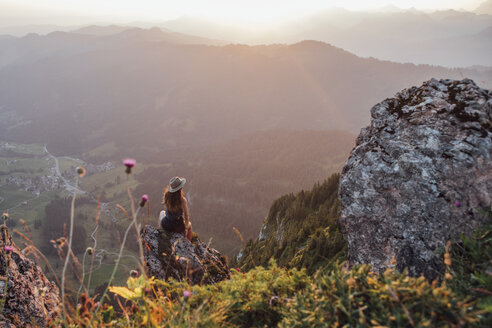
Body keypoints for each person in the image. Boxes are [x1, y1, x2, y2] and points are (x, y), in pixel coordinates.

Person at [159, 176, 192, 241]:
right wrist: (186, 226)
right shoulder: (182, 200)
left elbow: (167, 209)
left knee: (162, 213)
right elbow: (186, 216)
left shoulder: (166, 196)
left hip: (167, 224)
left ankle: (162, 232)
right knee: (190, 226)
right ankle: (188, 243)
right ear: (180, 187)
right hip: (178, 227)